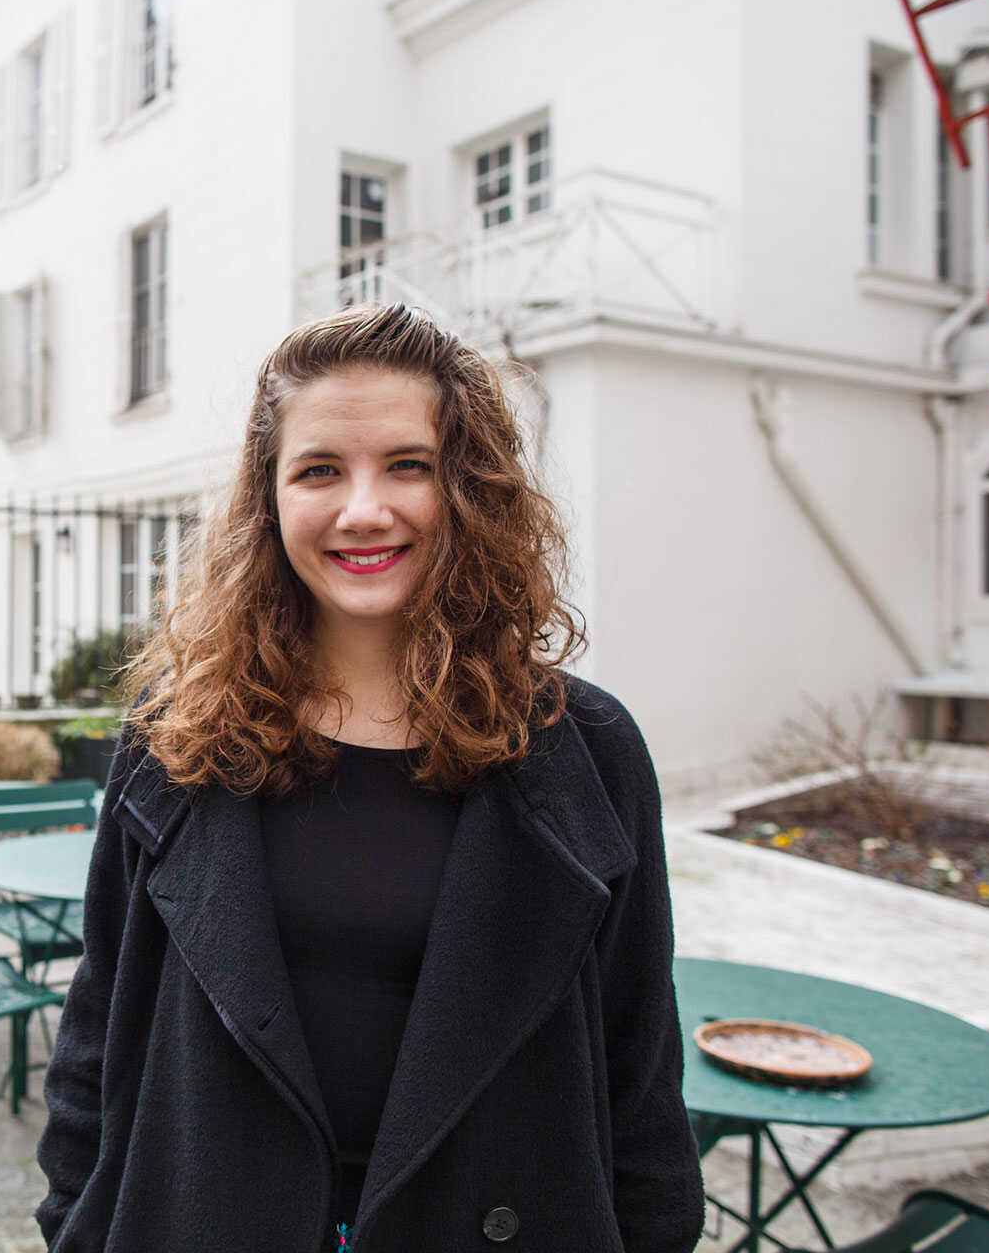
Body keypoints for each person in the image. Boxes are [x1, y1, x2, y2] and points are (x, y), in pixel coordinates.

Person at [34, 303, 705, 1252]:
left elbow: (640, 1076)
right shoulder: (177, 739)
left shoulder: (587, 749)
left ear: (467, 486)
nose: (362, 509)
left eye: (407, 465)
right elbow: (99, 1029)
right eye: (319, 470)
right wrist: (70, 1228)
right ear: (269, 499)